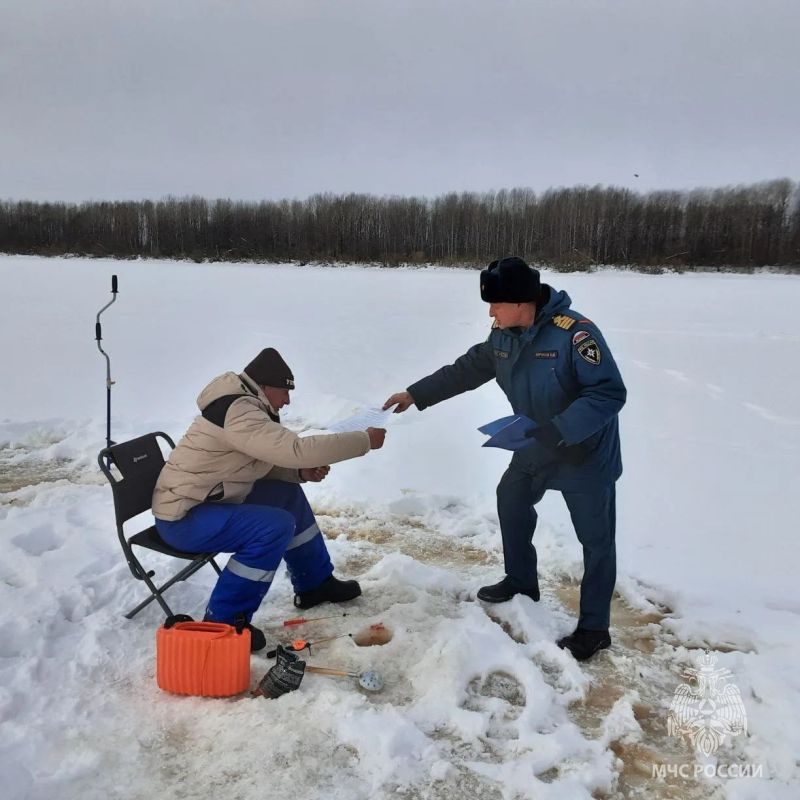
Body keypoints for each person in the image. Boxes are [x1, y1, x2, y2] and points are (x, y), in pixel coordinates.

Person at [384, 257, 626, 661]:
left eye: (496, 304)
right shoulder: (504, 336)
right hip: (535, 445)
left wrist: (562, 429)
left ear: (521, 301)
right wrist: (416, 393)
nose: (490, 312)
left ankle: (594, 627)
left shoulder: (576, 335)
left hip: (584, 453)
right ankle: (520, 580)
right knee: (511, 499)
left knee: (596, 541)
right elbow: (467, 369)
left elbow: (608, 394)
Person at [153, 347, 386, 651]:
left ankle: (314, 584)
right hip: (185, 518)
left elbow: (257, 462)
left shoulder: (246, 405)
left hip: (209, 498)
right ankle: (224, 622)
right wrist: (364, 440)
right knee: (272, 526)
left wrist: (299, 473)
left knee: (287, 496)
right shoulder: (239, 411)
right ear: (265, 387)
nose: (287, 400)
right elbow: (295, 449)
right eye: (285, 392)